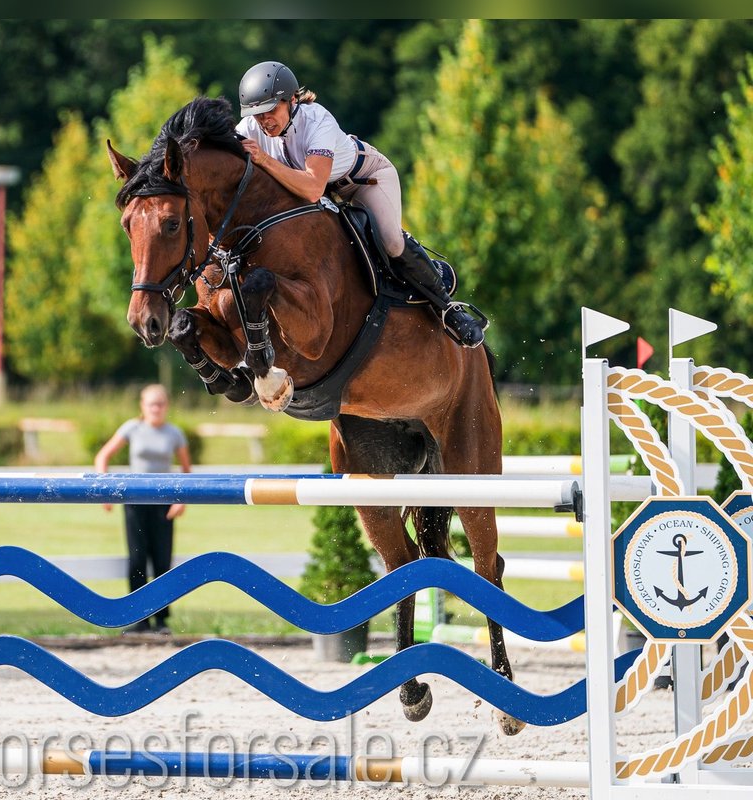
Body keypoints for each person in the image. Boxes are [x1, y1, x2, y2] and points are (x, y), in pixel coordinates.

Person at [235, 60, 486, 348]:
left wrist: (264, 160)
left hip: (364, 180)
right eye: (257, 115)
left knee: (391, 242)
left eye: (271, 111)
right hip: (327, 195)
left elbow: (313, 187)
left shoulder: (317, 121)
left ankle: (449, 308)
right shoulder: (250, 128)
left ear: (291, 100)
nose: (264, 121)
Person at [93, 384, 192, 634]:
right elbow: (102, 457)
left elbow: (186, 471)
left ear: (166, 406)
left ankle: (161, 621)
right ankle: (139, 618)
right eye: (151, 404)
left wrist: (181, 500)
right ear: (143, 406)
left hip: (164, 503)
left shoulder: (174, 433)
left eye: (160, 403)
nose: (156, 408)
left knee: (162, 560)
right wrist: (104, 490)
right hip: (135, 502)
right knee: (137, 559)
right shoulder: (132, 428)